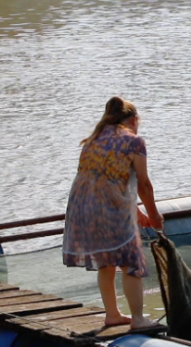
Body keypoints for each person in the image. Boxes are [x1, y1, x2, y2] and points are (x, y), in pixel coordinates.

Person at [62, 97, 164, 329]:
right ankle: (138, 319)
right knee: (131, 261)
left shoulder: (94, 139)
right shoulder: (133, 141)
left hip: (82, 208)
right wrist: (155, 216)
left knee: (106, 261)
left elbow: (107, 179)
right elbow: (144, 185)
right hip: (109, 207)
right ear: (134, 120)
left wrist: (137, 213)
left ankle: (112, 315)